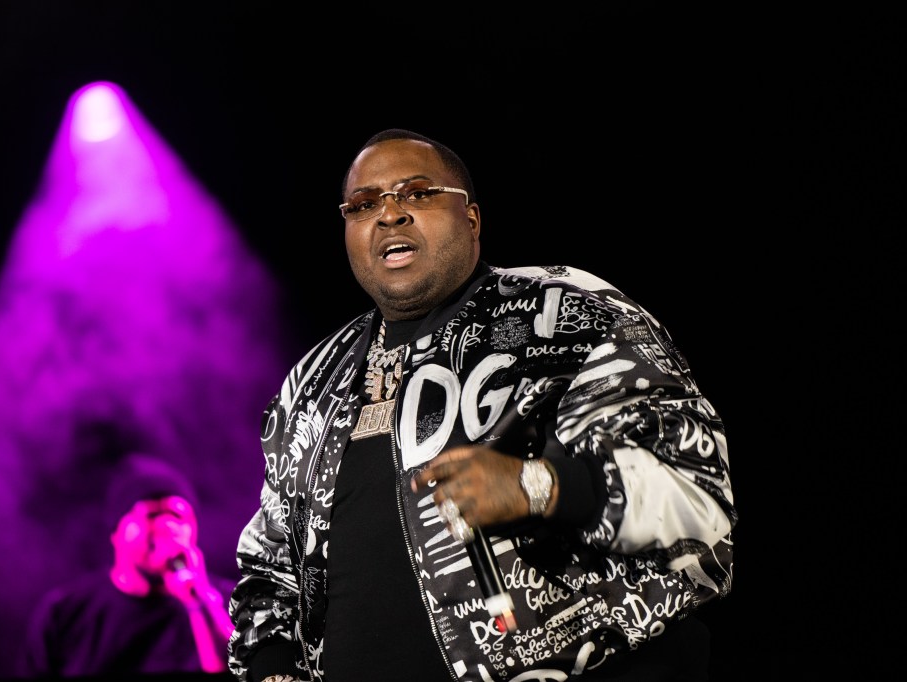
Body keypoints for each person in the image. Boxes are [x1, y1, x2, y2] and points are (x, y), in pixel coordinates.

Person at [227, 129, 735, 682]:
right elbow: (270, 568)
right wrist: (271, 667)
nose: (390, 214)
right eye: (365, 204)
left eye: (418, 193)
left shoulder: (568, 315)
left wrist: (537, 487)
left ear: (471, 218)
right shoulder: (312, 381)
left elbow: (697, 495)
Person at [18, 453, 236, 677]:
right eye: (152, 514)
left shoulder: (231, 604)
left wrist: (199, 602)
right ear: (117, 532)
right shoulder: (65, 613)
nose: (167, 526)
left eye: (178, 515)